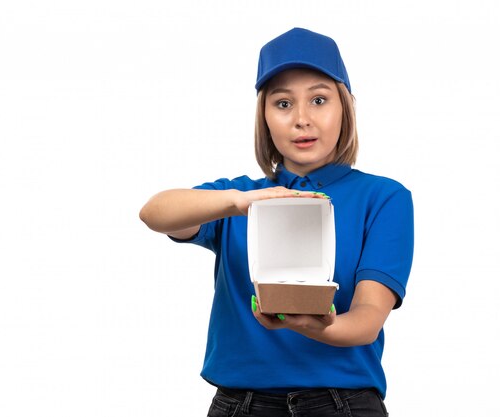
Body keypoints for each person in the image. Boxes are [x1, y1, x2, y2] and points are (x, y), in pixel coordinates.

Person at [140, 27, 414, 417]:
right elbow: (155, 212)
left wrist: (313, 326)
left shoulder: (384, 198)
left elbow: (368, 319)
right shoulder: (235, 199)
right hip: (240, 402)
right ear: (265, 116)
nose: (301, 119)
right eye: (283, 104)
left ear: (345, 106)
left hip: (343, 403)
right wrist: (241, 202)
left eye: (319, 100)